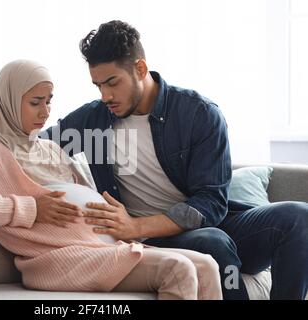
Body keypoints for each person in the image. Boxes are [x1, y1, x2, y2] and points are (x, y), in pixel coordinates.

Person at [40, 21, 308, 300]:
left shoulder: (198, 114)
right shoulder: (92, 121)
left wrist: (135, 225)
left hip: (211, 224)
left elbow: (211, 202)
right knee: (212, 243)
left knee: (299, 217)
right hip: (160, 241)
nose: (105, 95)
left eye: (112, 83)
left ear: (140, 69)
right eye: (98, 85)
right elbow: (34, 148)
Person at [0, 59, 223, 299]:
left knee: (207, 265)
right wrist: (31, 208)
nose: (45, 111)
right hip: (57, 258)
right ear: (6, 102)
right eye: (35, 102)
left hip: (102, 246)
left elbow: (78, 192)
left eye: (49, 101)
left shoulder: (49, 147)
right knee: (178, 268)